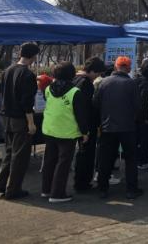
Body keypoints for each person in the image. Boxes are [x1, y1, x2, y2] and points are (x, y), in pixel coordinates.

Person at [0, 42, 39, 200]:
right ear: (33, 56)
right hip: (20, 118)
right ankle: (13, 189)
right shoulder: (27, 75)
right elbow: (27, 102)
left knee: (9, 152)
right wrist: (31, 123)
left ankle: (1, 184)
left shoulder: (8, 70)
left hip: (6, 116)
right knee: (19, 156)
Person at [93, 56, 143, 199]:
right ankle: (131, 189)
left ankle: (102, 188)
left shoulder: (104, 82)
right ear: (128, 68)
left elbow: (95, 103)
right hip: (128, 127)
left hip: (107, 126)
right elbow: (138, 106)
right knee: (131, 159)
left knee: (105, 158)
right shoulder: (131, 83)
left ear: (116, 66)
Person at [41, 62, 89, 203]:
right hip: (67, 133)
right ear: (72, 75)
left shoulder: (48, 89)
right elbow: (81, 115)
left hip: (49, 129)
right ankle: (57, 193)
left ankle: (46, 190)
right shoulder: (75, 92)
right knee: (63, 163)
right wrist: (84, 132)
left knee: (49, 161)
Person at [72, 56, 106, 192]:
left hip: (75, 123)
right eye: (97, 73)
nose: (97, 76)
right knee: (86, 155)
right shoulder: (86, 84)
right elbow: (86, 108)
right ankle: (83, 184)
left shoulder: (75, 79)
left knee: (81, 154)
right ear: (92, 71)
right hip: (86, 125)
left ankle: (80, 182)